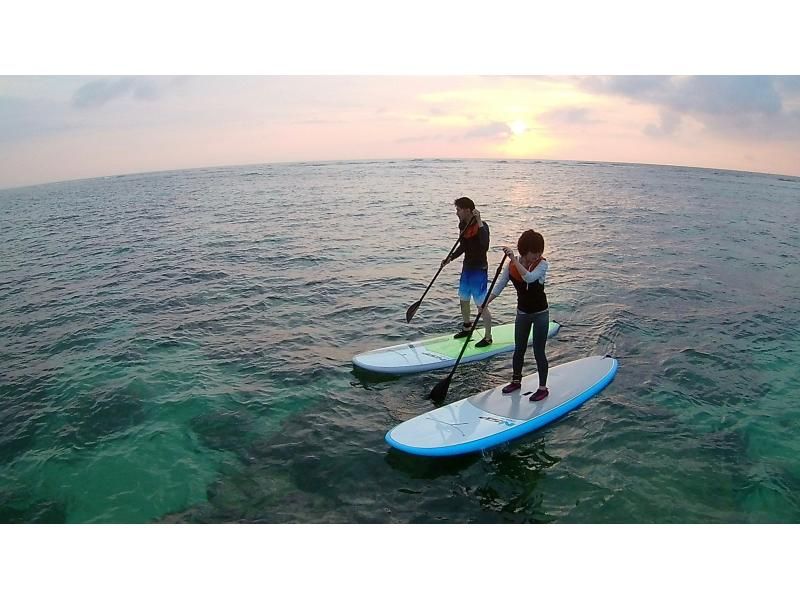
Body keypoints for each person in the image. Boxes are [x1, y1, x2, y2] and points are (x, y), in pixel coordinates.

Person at [479, 229, 550, 401]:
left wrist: (513, 259)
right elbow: (500, 285)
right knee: (519, 349)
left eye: (540, 251)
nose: (538, 254)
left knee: (539, 351)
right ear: (525, 250)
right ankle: (516, 381)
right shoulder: (511, 266)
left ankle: (542, 388)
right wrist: (486, 302)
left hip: (541, 314)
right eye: (535, 251)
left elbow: (529, 278)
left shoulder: (542, 264)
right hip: (523, 313)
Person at [441, 196, 493, 346]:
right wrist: (450, 258)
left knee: (481, 305)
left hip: (479, 269)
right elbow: (462, 246)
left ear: (467, 210)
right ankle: (467, 327)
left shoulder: (482, 226)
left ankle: (488, 337)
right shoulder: (462, 225)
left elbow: (484, 245)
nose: (456, 213)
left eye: (458, 210)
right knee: (463, 299)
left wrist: (479, 220)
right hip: (467, 267)